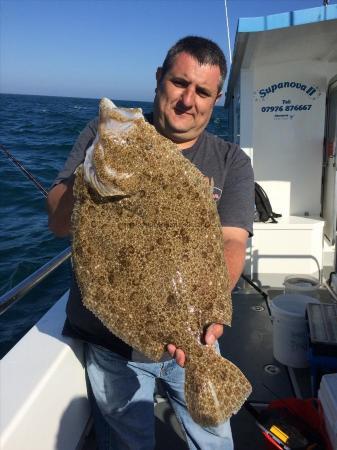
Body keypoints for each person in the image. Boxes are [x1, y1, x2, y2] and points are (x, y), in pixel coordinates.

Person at [47, 36, 254, 450]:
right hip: (110, 345)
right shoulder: (106, 134)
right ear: (159, 79)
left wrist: (207, 319)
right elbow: (57, 222)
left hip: (195, 338)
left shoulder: (230, 160)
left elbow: (231, 240)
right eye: (180, 83)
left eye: (203, 92)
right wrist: (88, 184)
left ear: (216, 99)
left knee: (215, 442)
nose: (187, 100)